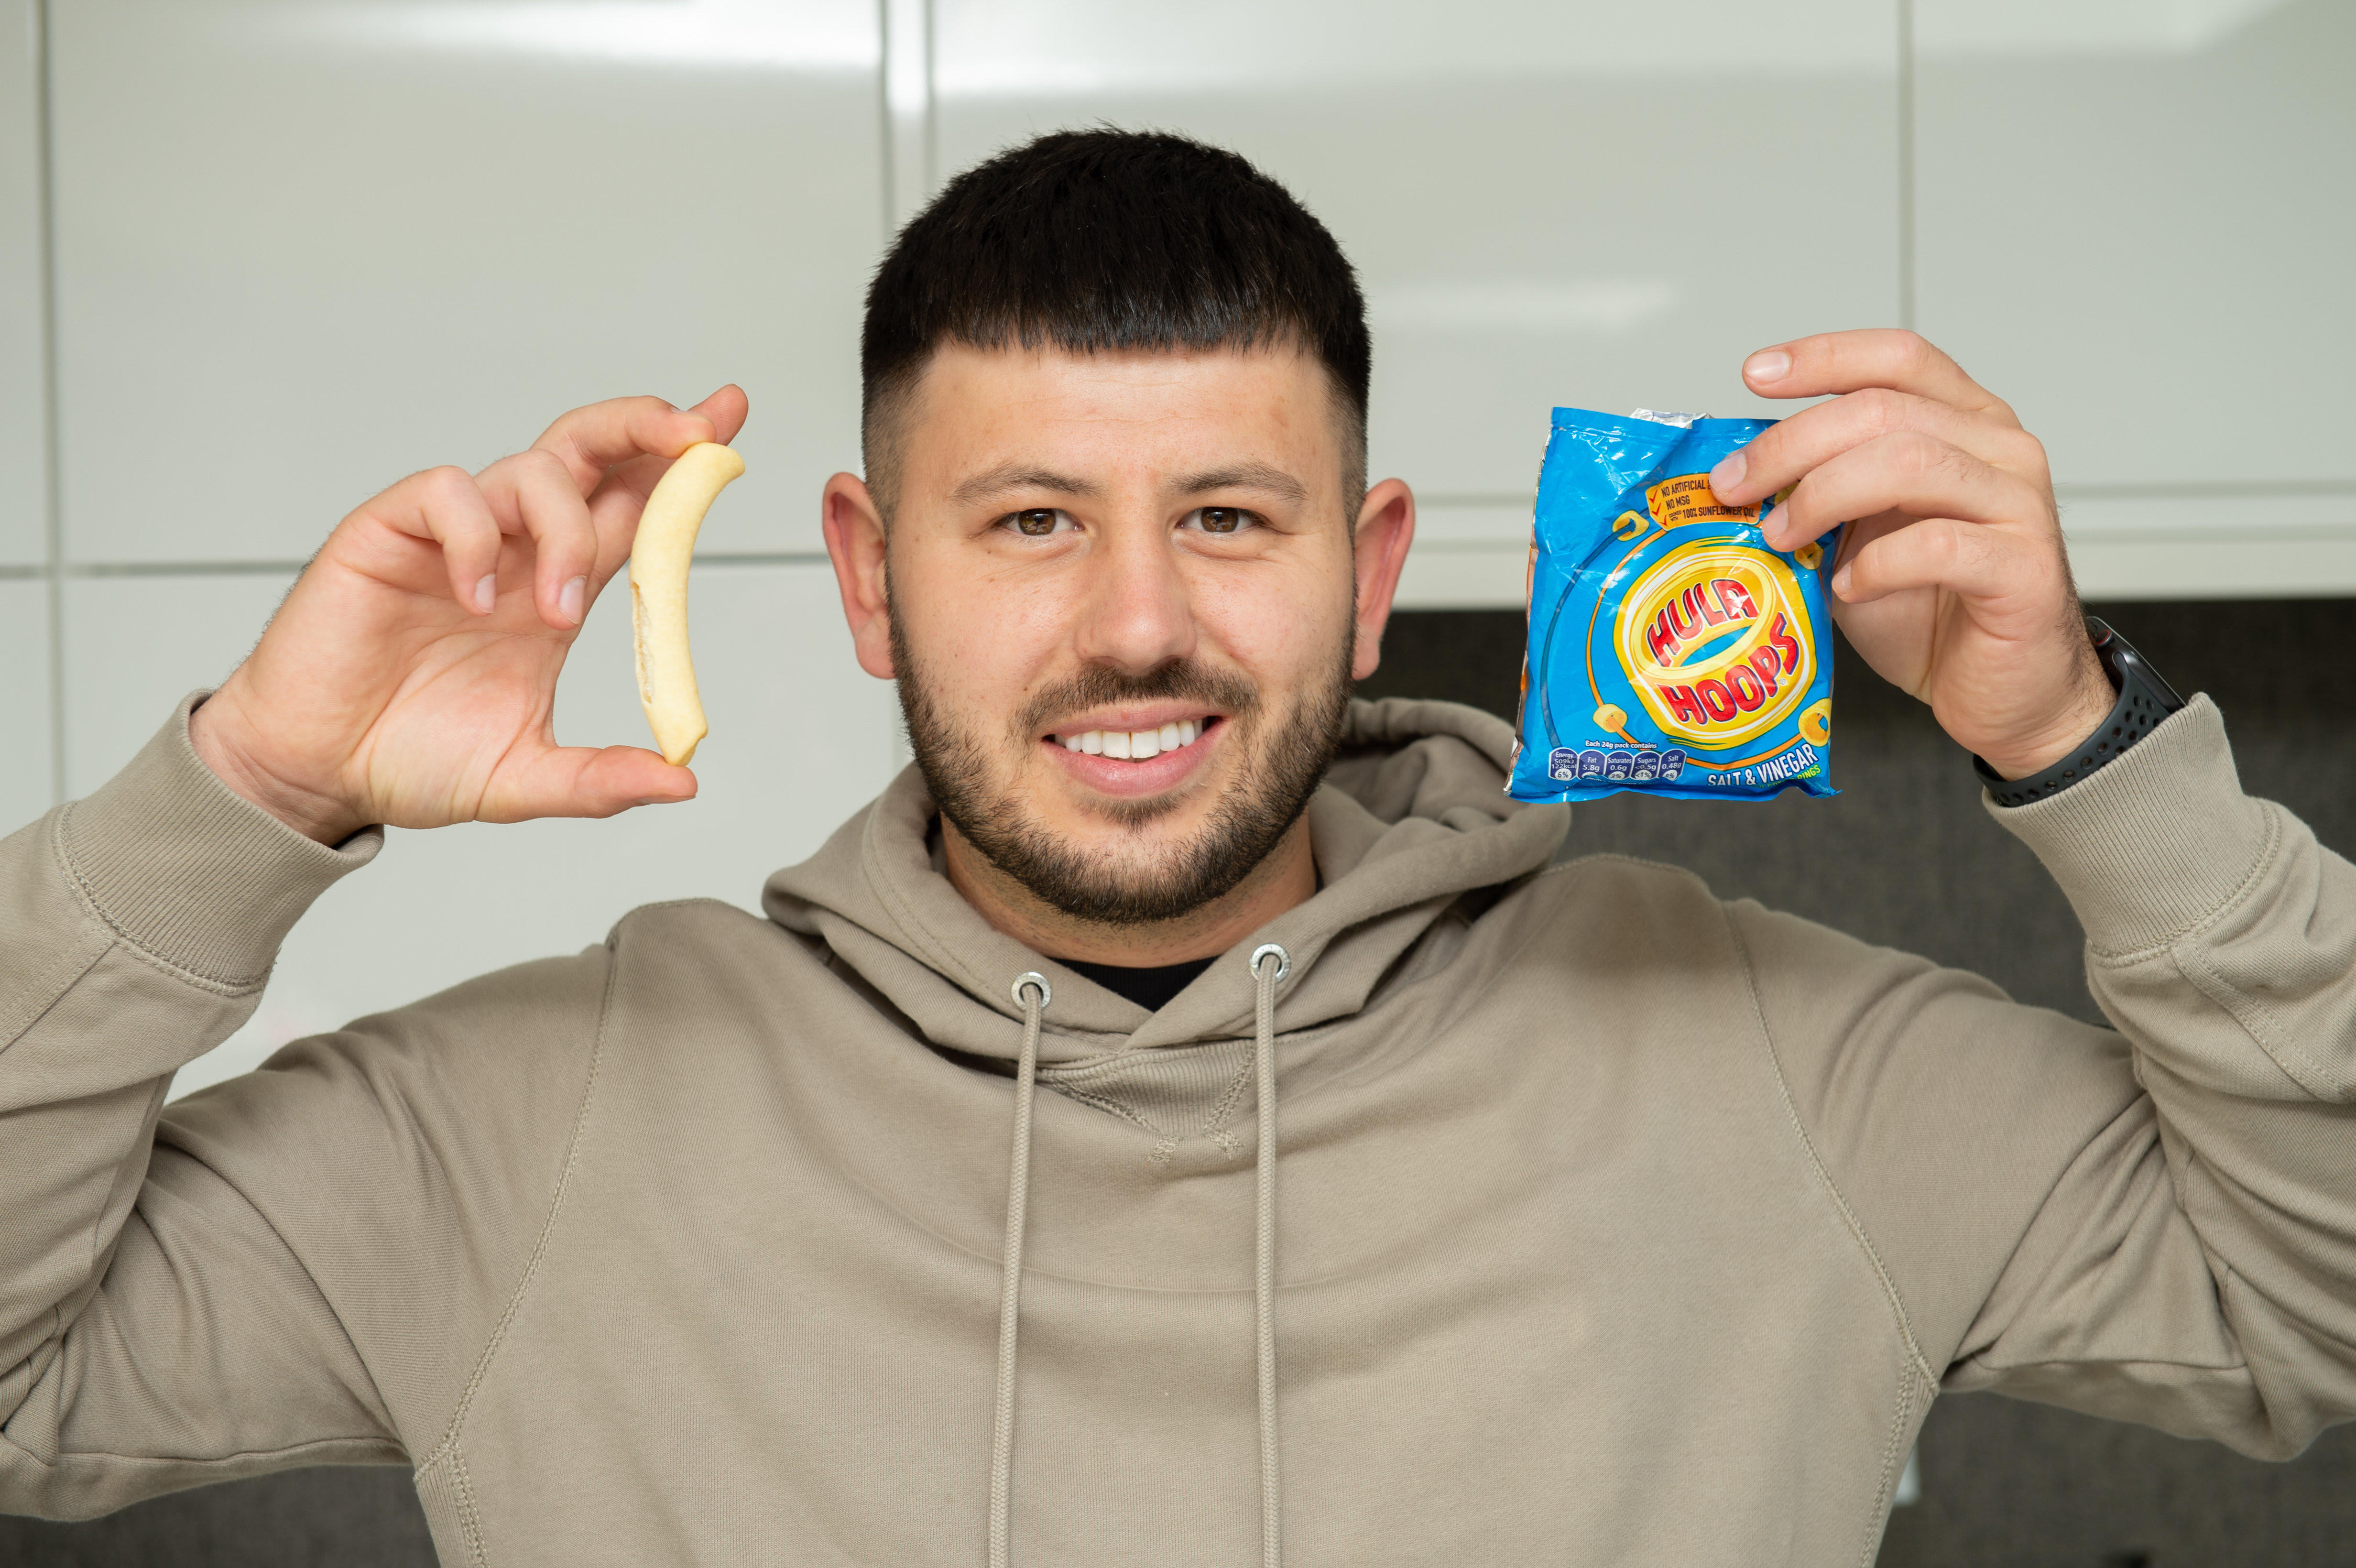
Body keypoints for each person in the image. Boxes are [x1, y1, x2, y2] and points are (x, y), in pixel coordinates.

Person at [3, 129, 2350, 1568]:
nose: (1136, 621)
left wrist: (2075, 737)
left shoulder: (1763, 1051)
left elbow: (2308, 1307)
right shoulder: (523, 1124)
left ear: (1362, 567)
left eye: (1226, 516)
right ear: (859, 573)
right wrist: (243, 794)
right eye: (1026, 520)